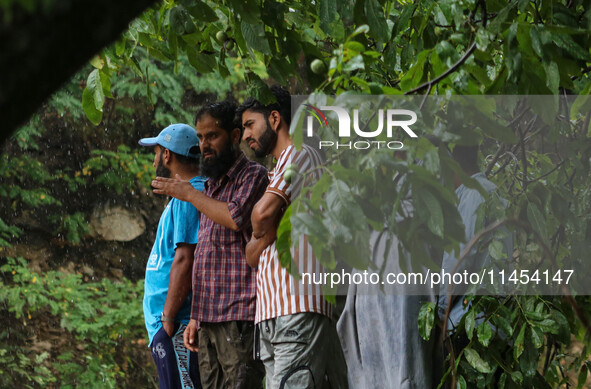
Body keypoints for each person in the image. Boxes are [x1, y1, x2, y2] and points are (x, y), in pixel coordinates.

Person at [237, 85, 348, 389]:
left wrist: (265, 226)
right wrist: (268, 227)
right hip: (275, 312)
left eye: (250, 125)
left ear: (274, 119)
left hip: (296, 307)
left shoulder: (300, 154)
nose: (246, 135)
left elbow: (259, 218)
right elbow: (250, 254)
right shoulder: (276, 170)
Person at [152, 101, 268, 389]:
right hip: (207, 319)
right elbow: (206, 255)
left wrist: (190, 194)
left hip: (238, 315)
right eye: (201, 138)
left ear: (234, 135)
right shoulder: (213, 184)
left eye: (212, 136)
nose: (205, 144)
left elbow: (234, 217)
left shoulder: (252, 175)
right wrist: (196, 317)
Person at [138, 123, 204, 389]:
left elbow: (185, 259)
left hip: (175, 325)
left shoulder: (189, 195)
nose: (155, 159)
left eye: (156, 152)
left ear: (167, 155)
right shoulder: (186, 194)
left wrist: (167, 318)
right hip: (171, 323)